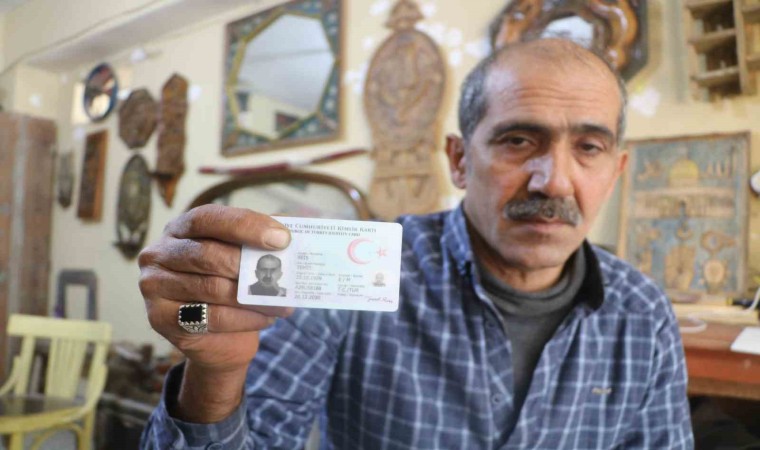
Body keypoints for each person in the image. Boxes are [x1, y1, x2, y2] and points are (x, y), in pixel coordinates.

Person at [138, 39, 693, 449]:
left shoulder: (643, 315)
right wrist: (214, 375)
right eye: (520, 140)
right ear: (459, 159)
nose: (553, 181)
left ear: (615, 172)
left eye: (589, 147)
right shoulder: (352, 277)